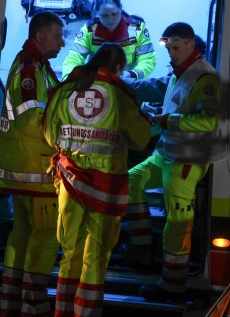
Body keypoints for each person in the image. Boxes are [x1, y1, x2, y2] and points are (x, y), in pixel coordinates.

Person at [42, 43, 151, 317]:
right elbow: (141, 139)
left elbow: (48, 134)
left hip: (69, 181)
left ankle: (63, 313)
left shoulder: (66, 89)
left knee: (69, 254)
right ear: (117, 68)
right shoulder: (120, 95)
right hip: (106, 186)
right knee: (95, 257)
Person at [119, 22, 225, 302]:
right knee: (130, 181)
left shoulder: (205, 78)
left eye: (175, 47)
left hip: (185, 161)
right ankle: (141, 250)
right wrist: (158, 116)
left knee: (177, 224)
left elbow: (208, 120)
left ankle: (172, 287)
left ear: (191, 45)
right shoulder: (181, 73)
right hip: (166, 154)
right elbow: (176, 108)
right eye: (169, 47)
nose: (171, 53)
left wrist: (169, 120)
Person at [0, 11, 65, 317]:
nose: (62, 42)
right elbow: (32, 122)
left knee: (21, 234)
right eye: (58, 35)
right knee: (45, 236)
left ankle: (11, 301)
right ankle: (34, 305)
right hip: (35, 169)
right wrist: (68, 138)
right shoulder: (31, 70)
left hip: (23, 168)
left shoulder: (35, 67)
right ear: (40, 37)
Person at [61, 0, 157, 80]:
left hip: (128, 82)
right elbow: (73, 59)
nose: (110, 19)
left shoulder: (137, 29)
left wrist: (132, 74)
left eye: (114, 14)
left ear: (120, 9)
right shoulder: (89, 31)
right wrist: (68, 81)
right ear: (97, 13)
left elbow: (147, 60)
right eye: (104, 15)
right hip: (97, 84)